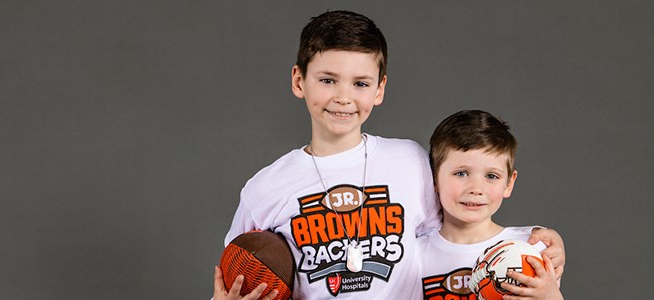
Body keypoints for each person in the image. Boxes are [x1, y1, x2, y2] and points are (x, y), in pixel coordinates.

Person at [213, 10, 565, 300]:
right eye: (327, 80)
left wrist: (535, 239)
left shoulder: (408, 161)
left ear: (379, 89)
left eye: (361, 83)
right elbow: (235, 273)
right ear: (298, 81)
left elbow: (465, 221)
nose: (343, 97)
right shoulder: (266, 187)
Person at [417, 110, 563, 300]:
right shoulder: (414, 252)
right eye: (461, 173)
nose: (476, 189)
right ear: (434, 178)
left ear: (509, 183)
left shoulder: (531, 247)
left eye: (491, 176)